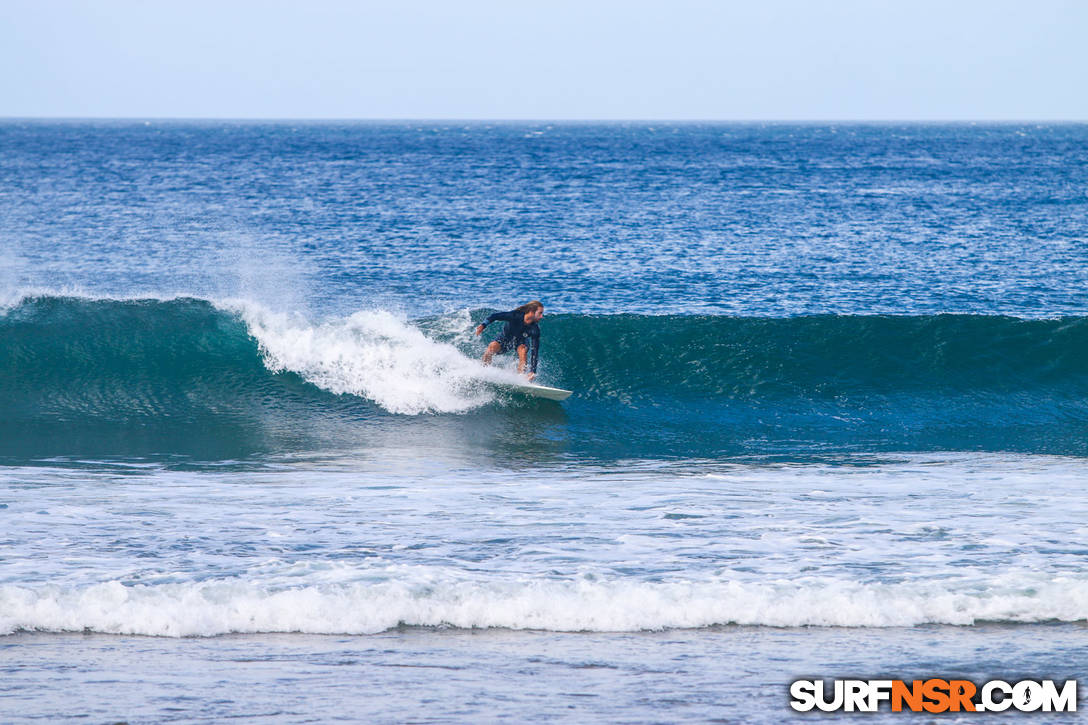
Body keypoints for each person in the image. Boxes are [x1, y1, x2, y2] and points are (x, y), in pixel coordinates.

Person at [475, 300, 544, 381]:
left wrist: (533, 371)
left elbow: (535, 351)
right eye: (540, 313)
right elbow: (495, 316)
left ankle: (520, 379)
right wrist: (483, 325)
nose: (542, 316)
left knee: (523, 350)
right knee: (491, 347)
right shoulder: (515, 315)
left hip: (521, 342)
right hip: (505, 339)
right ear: (532, 312)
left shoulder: (535, 329)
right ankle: (484, 370)